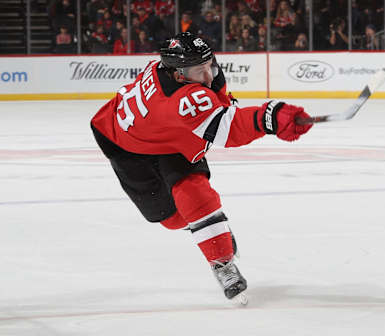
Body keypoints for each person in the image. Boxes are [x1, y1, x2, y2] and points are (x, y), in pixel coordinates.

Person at [90, 32, 312, 302]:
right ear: (178, 74)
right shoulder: (181, 100)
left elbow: (217, 103)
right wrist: (270, 117)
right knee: (172, 220)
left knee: (194, 194)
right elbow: (228, 130)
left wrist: (226, 104)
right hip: (126, 148)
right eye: (200, 71)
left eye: (210, 65)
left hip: (169, 137)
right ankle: (209, 229)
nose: (209, 75)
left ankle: (222, 263)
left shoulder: (178, 71)